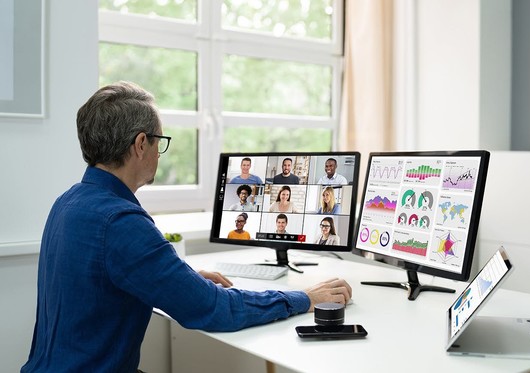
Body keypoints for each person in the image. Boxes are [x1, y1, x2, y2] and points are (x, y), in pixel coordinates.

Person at [21, 81, 352, 372]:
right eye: (159, 142)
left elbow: (111, 276)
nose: (159, 153)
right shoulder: (121, 222)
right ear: (140, 144)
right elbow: (213, 309)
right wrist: (303, 297)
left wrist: (182, 279)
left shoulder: (67, 203)